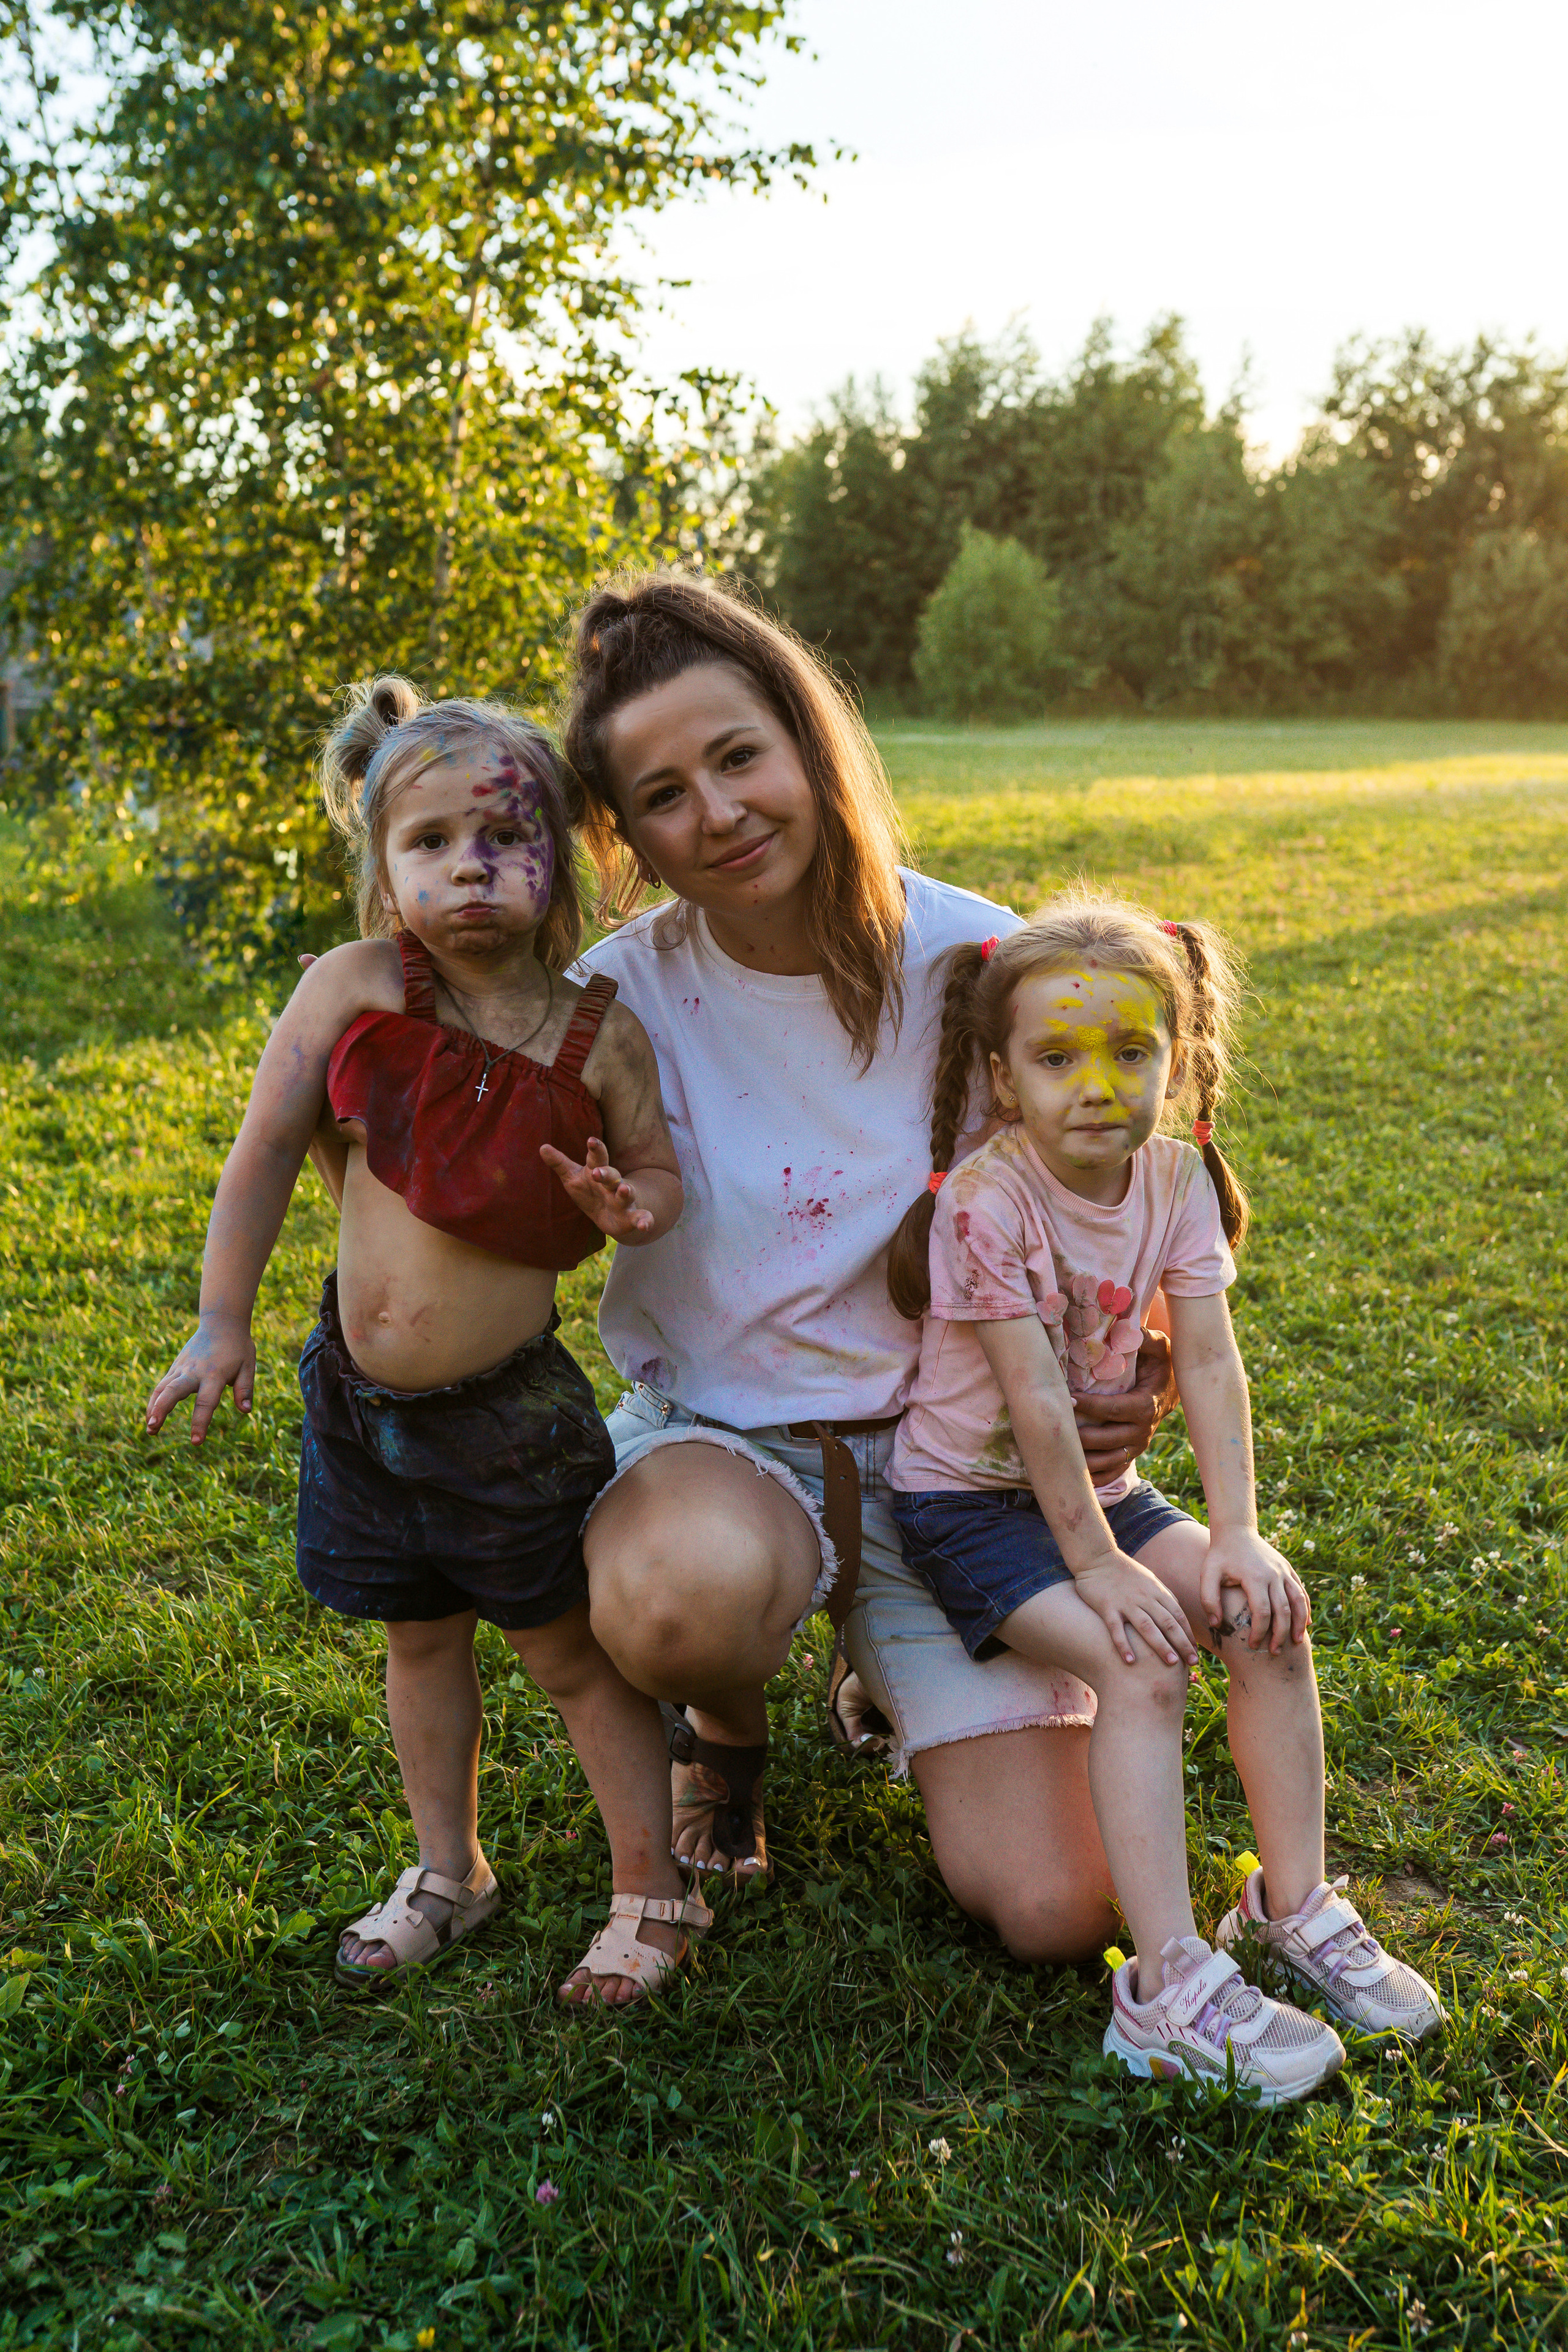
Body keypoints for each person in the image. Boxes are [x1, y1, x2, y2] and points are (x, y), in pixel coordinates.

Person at [547, 572, 1170, 1956]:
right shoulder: (613, 995)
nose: (713, 812)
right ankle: (729, 1726)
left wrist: (1137, 1367)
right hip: (729, 1447)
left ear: (807, 742)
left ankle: (885, 1671)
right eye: (659, 795)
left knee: (1063, 1911)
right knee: (674, 1600)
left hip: (965, 1473)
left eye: (735, 757)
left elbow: (1093, 1206)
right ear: (629, 836)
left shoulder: (979, 959)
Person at [143, 675, 709, 2008]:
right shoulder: (351, 991)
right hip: (355, 1405)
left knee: (566, 1653)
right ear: (385, 865)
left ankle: (650, 1886)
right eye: (432, 843)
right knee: (417, 1639)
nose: (471, 870)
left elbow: (659, 1180)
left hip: (508, 1417)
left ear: (555, 866)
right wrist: (221, 1321)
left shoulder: (593, 1032)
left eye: (506, 842)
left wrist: (637, 1210)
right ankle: (450, 1871)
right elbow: (266, 1152)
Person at [883, 891, 1444, 2099]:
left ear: (1176, 1061)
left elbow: (1204, 1361)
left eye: (1129, 1051)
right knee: (1142, 1659)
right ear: (1000, 1073)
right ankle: (1165, 1987)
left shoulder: (1177, 1181)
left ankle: (1289, 1909)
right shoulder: (985, 1203)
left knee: (1265, 1616)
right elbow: (1034, 1406)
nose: (1095, 1084)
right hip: (967, 1509)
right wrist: (1097, 1569)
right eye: (1055, 1056)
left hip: (1103, 1490)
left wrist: (1234, 1533)